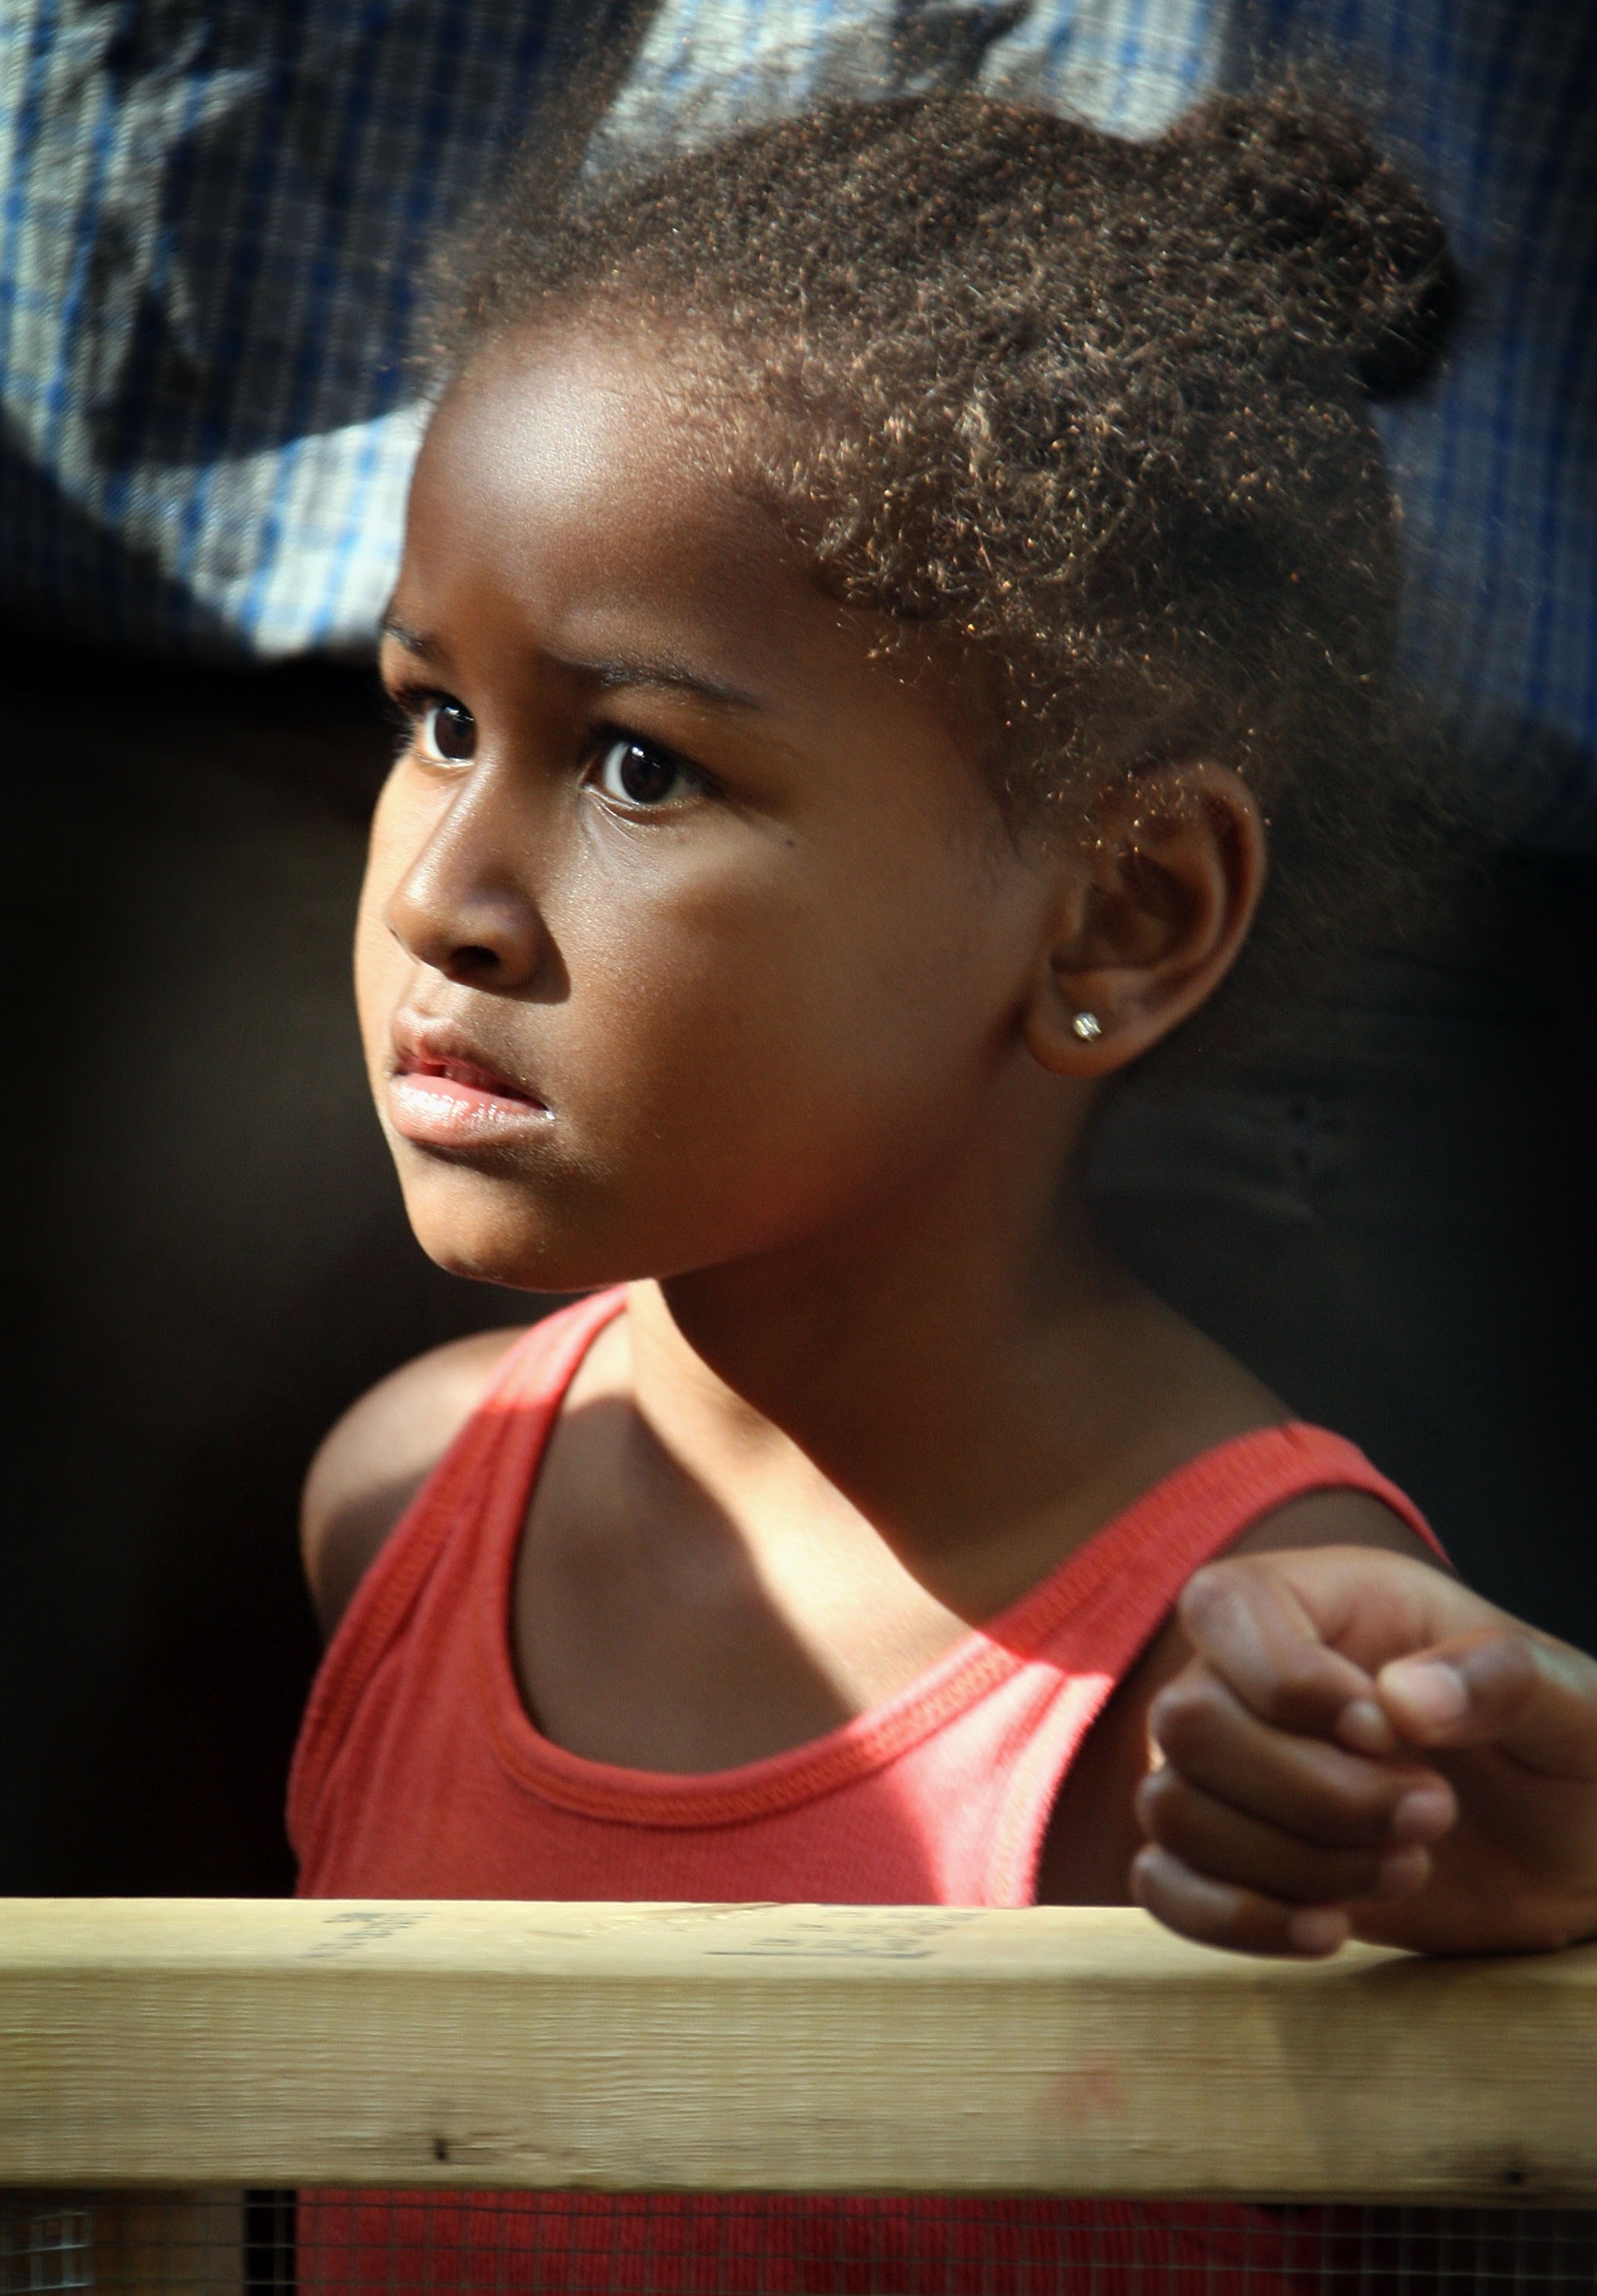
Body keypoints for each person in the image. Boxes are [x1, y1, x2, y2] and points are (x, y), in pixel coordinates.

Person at [291, 82, 1597, 1968]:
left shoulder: (1271, 1725)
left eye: (643, 766)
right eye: (437, 722)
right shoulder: (393, 1511)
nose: (440, 900)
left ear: (1123, 915)